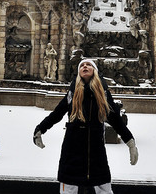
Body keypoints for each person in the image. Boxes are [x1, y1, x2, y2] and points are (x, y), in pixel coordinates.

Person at [33, 59, 138, 194]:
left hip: (96, 151)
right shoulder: (72, 92)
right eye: (82, 65)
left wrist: (130, 142)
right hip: (72, 150)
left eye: (88, 65)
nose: (85, 66)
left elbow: (115, 119)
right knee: (68, 190)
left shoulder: (103, 93)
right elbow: (57, 113)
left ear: (95, 71)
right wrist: (40, 129)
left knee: (104, 189)